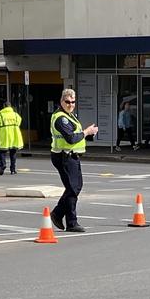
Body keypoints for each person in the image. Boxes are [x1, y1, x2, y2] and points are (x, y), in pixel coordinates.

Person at [50, 88, 98, 233]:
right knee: (72, 188)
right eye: (68, 102)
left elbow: (76, 135)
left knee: (76, 187)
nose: (71, 104)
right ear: (61, 101)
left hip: (71, 156)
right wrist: (86, 132)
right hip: (64, 156)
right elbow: (70, 138)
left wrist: (88, 134)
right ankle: (70, 222)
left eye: (73, 102)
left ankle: (58, 213)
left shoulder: (69, 115)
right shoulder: (61, 118)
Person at [0, 102, 24, 175]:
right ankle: (13, 169)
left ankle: (3, 165)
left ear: (4, 107)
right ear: (10, 107)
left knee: (2, 153)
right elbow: (19, 122)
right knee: (13, 153)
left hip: (5, 136)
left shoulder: (0, 115)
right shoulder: (15, 114)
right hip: (14, 136)